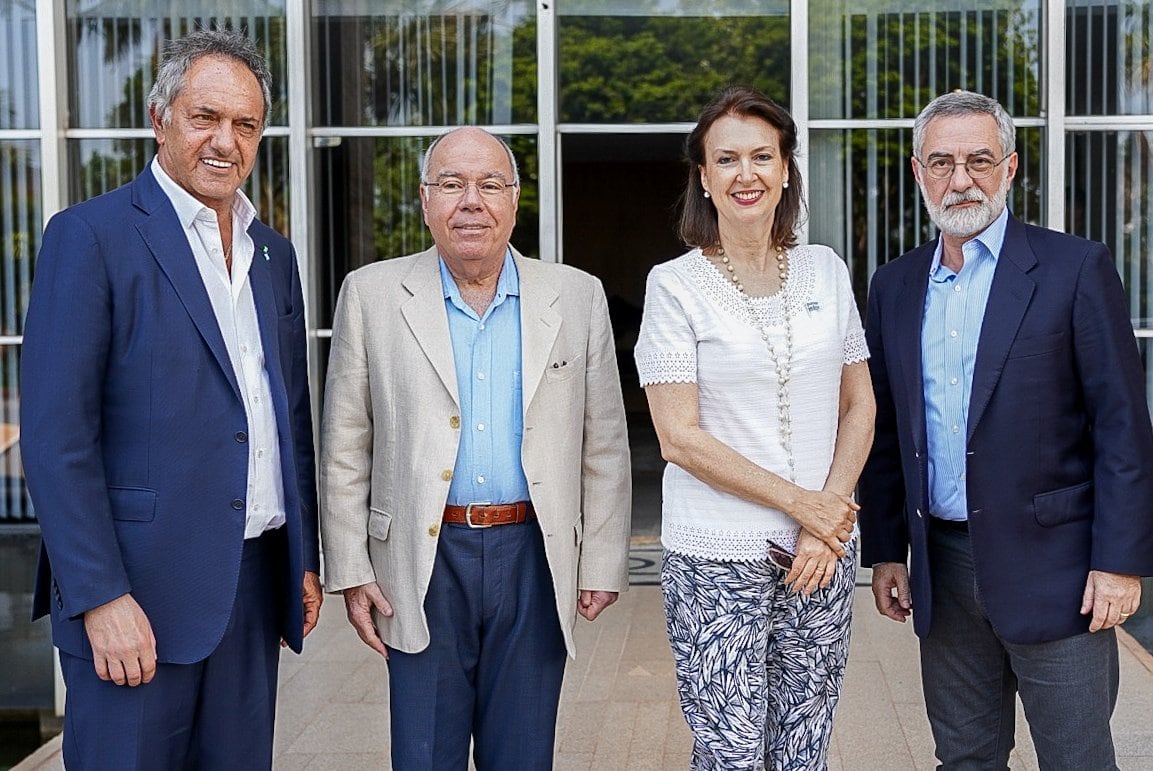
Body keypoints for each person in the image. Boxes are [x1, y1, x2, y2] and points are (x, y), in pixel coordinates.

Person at [20, 29, 321, 769]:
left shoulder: (272, 256)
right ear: (160, 119)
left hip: (250, 592)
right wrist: (98, 596)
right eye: (205, 117)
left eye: (245, 125)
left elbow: (288, 422)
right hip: (136, 601)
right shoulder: (89, 237)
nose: (226, 141)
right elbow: (58, 440)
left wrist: (301, 557)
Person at [319, 126, 632, 770]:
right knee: (424, 752)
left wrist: (601, 560)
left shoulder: (576, 295)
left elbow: (603, 443)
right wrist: (350, 567)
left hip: (534, 557)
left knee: (521, 753)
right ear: (425, 198)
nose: (472, 201)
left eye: (490, 184)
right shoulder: (371, 295)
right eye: (452, 184)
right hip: (421, 556)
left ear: (516, 201)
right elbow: (345, 444)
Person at [860, 90, 1153, 769]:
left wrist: (1118, 563)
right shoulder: (894, 286)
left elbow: (1121, 428)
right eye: (941, 162)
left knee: (1076, 759)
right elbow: (883, 431)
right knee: (964, 758)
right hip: (943, 566)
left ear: (1010, 168)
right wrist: (886, 550)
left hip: (1059, 571)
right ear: (917, 172)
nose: (959, 178)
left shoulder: (1074, 268)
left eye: (978, 160)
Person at [634, 85, 875, 769]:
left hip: (820, 555)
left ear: (786, 168)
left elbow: (858, 404)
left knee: (804, 743)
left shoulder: (825, 270)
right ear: (703, 178)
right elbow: (677, 435)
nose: (747, 174)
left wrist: (823, 523)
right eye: (727, 159)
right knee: (732, 750)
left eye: (762, 156)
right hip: (717, 555)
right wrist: (809, 507)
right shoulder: (673, 285)